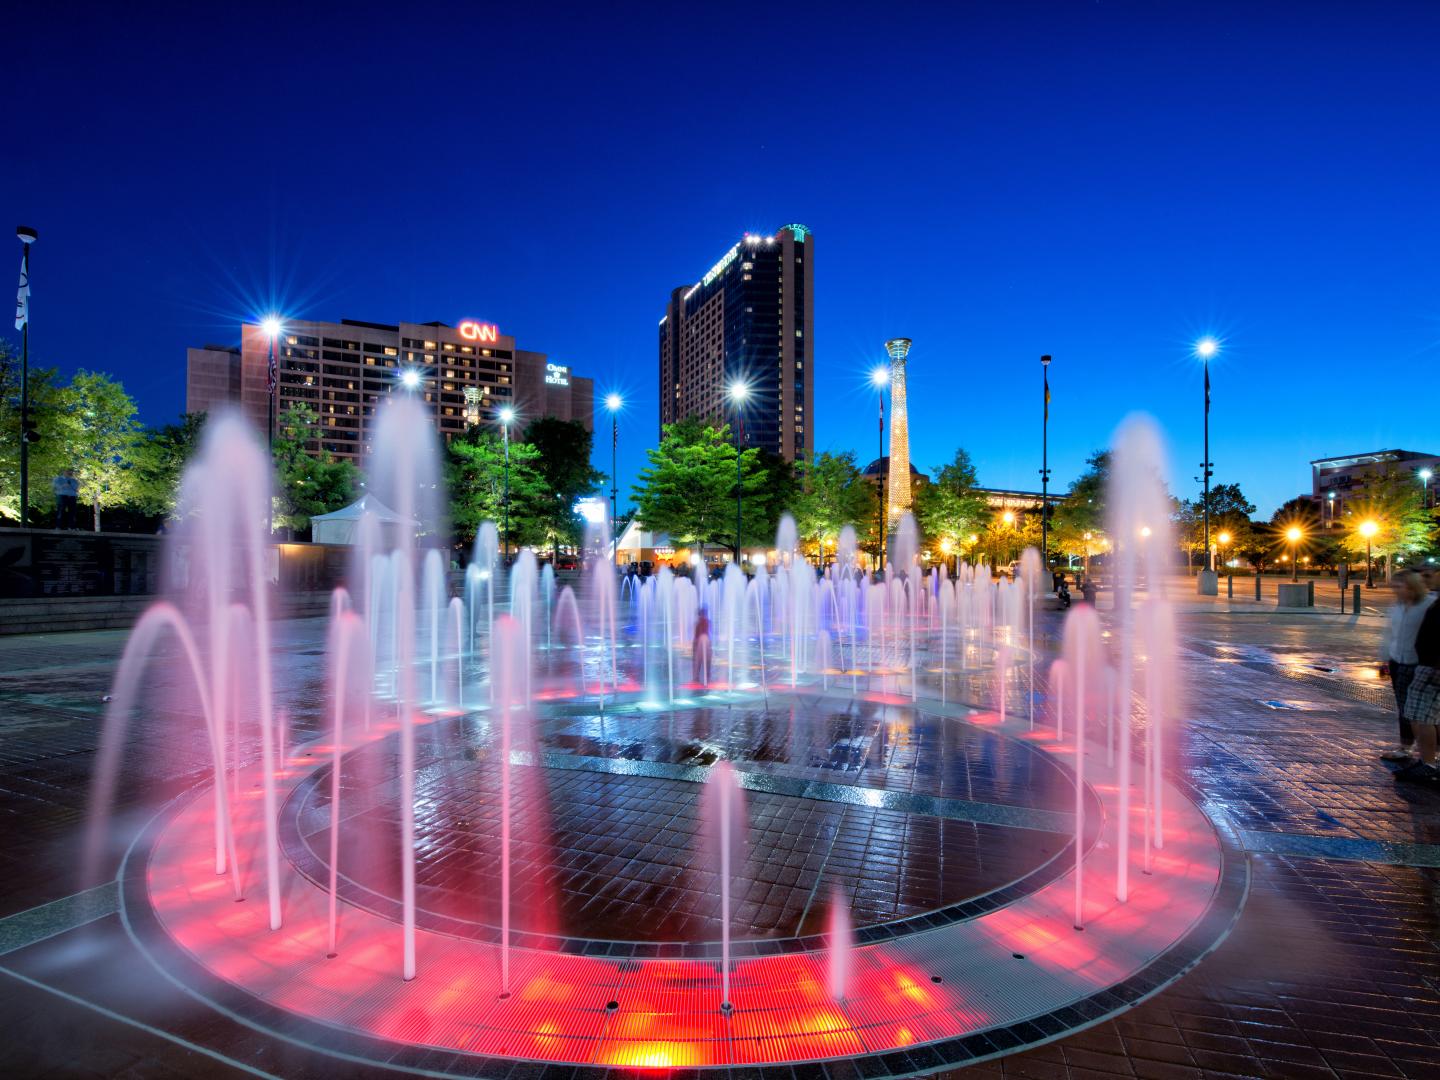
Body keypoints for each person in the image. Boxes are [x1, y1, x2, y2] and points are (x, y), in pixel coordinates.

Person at [1379, 571, 1435, 762]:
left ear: (1412, 586)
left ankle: (1429, 755)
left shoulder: (1429, 606)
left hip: (1419, 663)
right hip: (1397, 661)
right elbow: (1389, 634)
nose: (1394, 590)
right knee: (1404, 707)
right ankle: (1406, 747)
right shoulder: (1397, 606)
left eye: (1398, 586)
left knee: (1421, 712)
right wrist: (1384, 659)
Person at [1395, 591, 1440, 782]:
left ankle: (1428, 765)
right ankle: (1429, 763)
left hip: (1432, 666)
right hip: (1430, 663)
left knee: (1421, 714)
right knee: (1428, 714)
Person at [692, 606, 712, 686]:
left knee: (698, 660)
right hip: (706, 639)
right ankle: (707, 676)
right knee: (707, 660)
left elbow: (697, 635)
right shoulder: (708, 621)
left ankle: (696, 677)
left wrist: (694, 646)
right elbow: (709, 633)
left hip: (700, 640)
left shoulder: (699, 623)